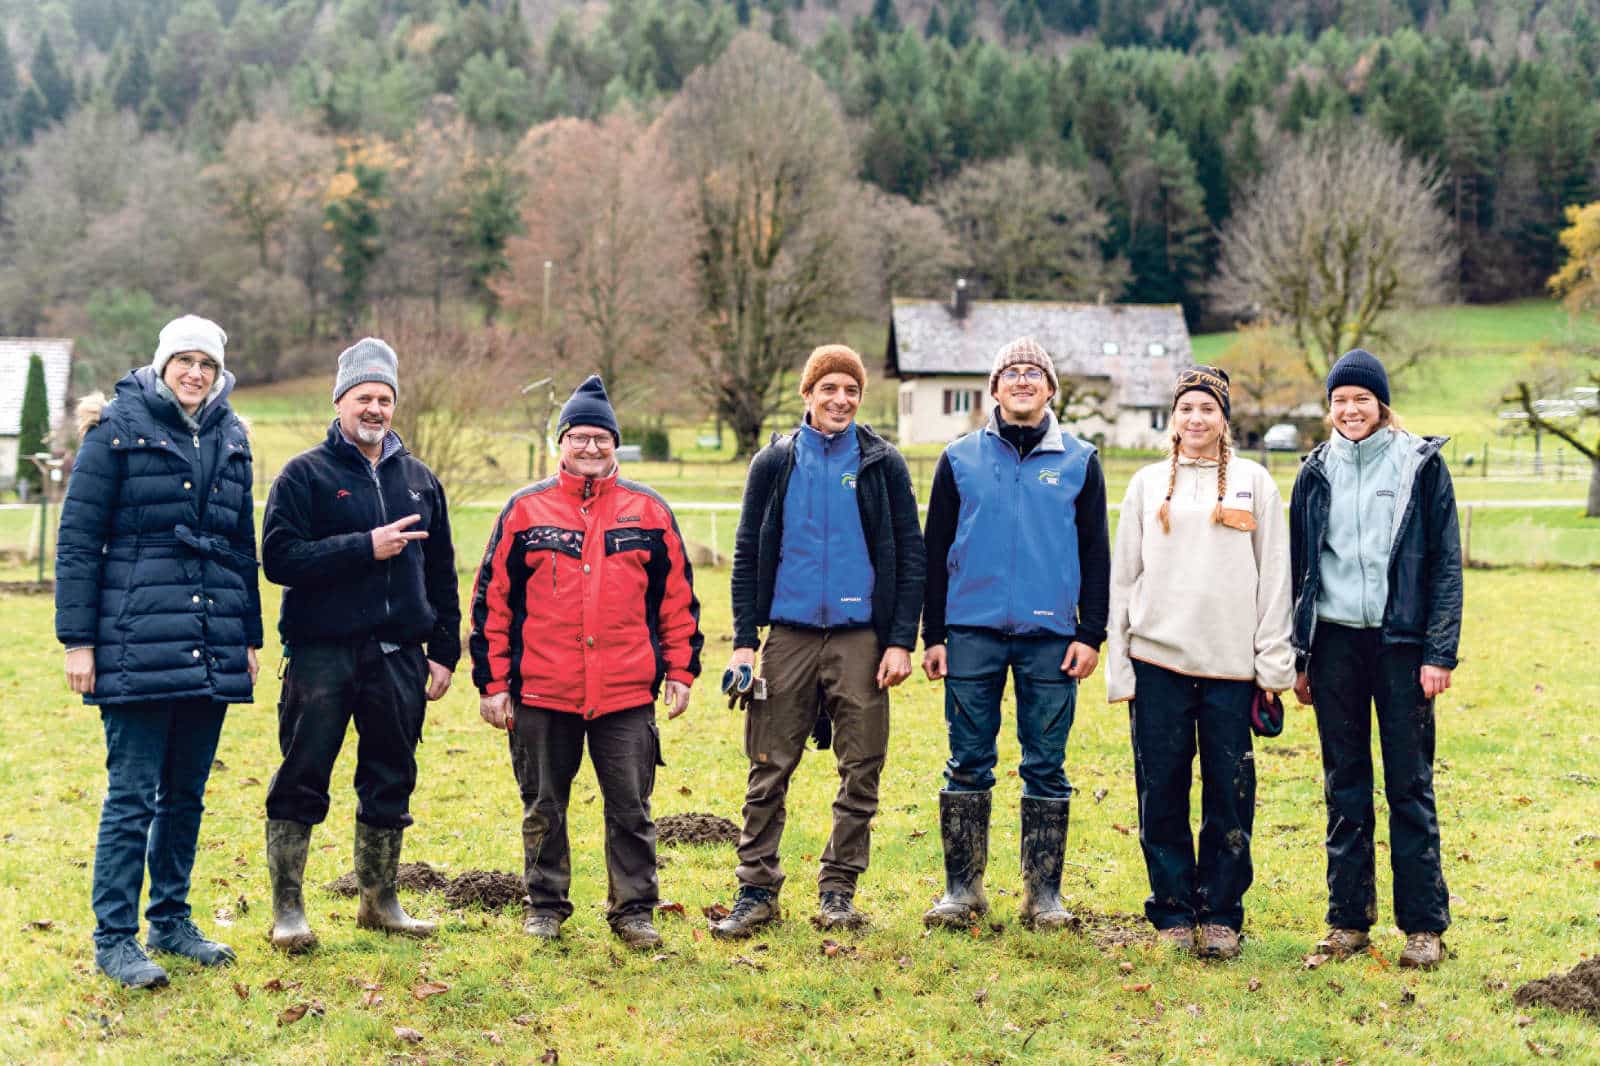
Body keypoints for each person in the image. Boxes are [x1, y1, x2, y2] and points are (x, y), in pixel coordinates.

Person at [55, 314, 261, 988]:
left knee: (187, 796)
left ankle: (169, 920)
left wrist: (249, 637)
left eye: (207, 361)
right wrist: (77, 642)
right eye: (185, 360)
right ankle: (114, 937)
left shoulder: (233, 434)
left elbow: (239, 547)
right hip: (134, 641)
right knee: (132, 797)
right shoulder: (115, 429)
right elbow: (79, 543)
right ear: (162, 363)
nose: (195, 372)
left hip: (210, 643)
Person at [471, 376, 703, 950]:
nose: (592, 448)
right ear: (562, 443)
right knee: (544, 806)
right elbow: (491, 603)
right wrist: (493, 683)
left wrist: (680, 670)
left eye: (602, 438)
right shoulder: (525, 511)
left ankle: (634, 910)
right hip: (541, 692)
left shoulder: (648, 512)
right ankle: (545, 905)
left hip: (625, 693)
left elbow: (678, 599)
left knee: (632, 808)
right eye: (580, 437)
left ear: (615, 443)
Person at [710, 345, 925, 939]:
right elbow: (749, 552)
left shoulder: (883, 463)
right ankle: (755, 889)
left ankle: (838, 890)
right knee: (768, 766)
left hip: (862, 639)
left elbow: (911, 556)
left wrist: (900, 640)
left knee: (862, 767)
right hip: (788, 637)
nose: (841, 400)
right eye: (828, 388)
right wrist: (744, 642)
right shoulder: (774, 463)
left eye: (851, 390)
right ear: (807, 394)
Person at [260, 338, 460, 952]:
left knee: (390, 776)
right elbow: (278, 558)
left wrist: (445, 650)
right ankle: (288, 910)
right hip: (322, 654)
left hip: (399, 657)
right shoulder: (304, 475)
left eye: (384, 398)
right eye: (363, 397)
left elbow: (443, 572)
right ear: (340, 400)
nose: (374, 408)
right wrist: (362, 546)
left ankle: (379, 901)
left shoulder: (420, 479)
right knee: (302, 775)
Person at [920, 337, 1110, 932]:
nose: (1023, 380)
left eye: (1034, 372)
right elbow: (933, 551)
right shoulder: (958, 458)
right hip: (970, 631)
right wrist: (933, 634)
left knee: (1046, 765)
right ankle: (962, 889)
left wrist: (1092, 632)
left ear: (1051, 388)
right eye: (1011, 372)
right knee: (967, 761)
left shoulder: (1081, 460)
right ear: (995, 388)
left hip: (1051, 637)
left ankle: (1044, 895)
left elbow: (1095, 553)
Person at [1106, 365, 1294, 959]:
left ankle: (1220, 913)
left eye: (1207, 409)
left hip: (1230, 667)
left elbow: (1275, 579)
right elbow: (1121, 581)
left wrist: (1272, 666)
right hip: (1157, 662)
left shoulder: (1254, 482)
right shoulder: (1143, 485)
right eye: (1186, 408)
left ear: (1224, 418)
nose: (1195, 419)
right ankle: (1171, 910)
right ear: (1172, 417)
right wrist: (1122, 667)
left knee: (1229, 793)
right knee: (1160, 789)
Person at [1290, 348, 1462, 970]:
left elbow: (1445, 565)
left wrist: (1438, 650)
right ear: (1329, 407)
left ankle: (1423, 926)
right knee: (1344, 786)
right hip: (1334, 643)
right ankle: (1347, 922)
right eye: (1340, 400)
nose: (1350, 409)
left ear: (1381, 404)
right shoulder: (1313, 472)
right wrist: (1301, 653)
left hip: (1402, 647)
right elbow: (1299, 569)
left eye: (1362, 398)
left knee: (1409, 785)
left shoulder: (1421, 466)